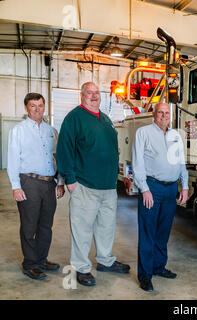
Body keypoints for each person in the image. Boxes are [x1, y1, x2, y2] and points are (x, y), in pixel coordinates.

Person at [56, 82, 130, 287]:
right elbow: (64, 150)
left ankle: (105, 261)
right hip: (84, 186)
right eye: (89, 92)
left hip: (108, 186)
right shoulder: (74, 118)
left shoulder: (105, 119)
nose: (94, 95)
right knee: (82, 229)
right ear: (82, 96)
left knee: (106, 227)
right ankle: (81, 267)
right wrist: (70, 181)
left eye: (97, 92)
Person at [7, 92, 65, 280]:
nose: (37, 109)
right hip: (29, 182)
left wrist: (61, 181)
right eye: (33, 105)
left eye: (40, 105)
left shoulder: (51, 131)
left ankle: (41, 259)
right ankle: (30, 263)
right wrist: (16, 187)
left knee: (46, 225)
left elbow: (57, 157)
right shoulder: (19, 130)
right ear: (26, 108)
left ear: (44, 107)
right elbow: (13, 160)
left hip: (49, 183)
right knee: (29, 225)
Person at [132, 102, 189, 292]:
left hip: (171, 188)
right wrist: (144, 189)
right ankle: (145, 275)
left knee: (163, 232)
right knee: (148, 232)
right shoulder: (144, 133)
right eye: (160, 113)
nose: (164, 116)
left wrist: (185, 187)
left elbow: (181, 163)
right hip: (152, 188)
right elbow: (138, 162)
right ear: (153, 114)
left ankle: (158, 267)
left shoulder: (175, 136)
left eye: (167, 113)